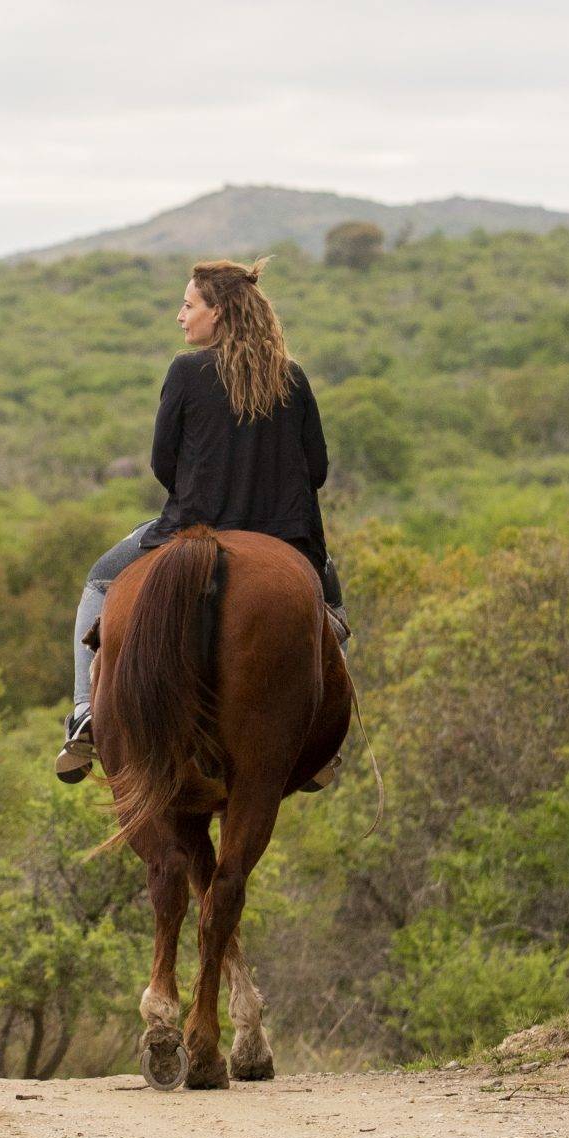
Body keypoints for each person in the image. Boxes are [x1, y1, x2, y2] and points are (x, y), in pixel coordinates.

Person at [54, 256, 347, 786]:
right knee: (329, 607)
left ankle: (83, 715)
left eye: (189, 305)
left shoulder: (185, 372)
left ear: (219, 313)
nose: (180, 316)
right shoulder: (294, 378)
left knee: (99, 582)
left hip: (194, 526)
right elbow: (318, 471)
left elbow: (162, 464)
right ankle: (323, 741)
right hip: (285, 535)